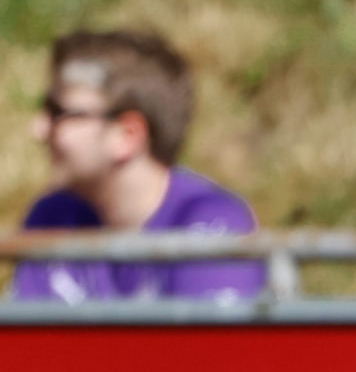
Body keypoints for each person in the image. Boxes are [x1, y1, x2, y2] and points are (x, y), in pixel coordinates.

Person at [12, 29, 262, 304]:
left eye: (59, 113)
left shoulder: (212, 222)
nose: (37, 130)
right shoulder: (52, 217)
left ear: (127, 136)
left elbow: (212, 347)